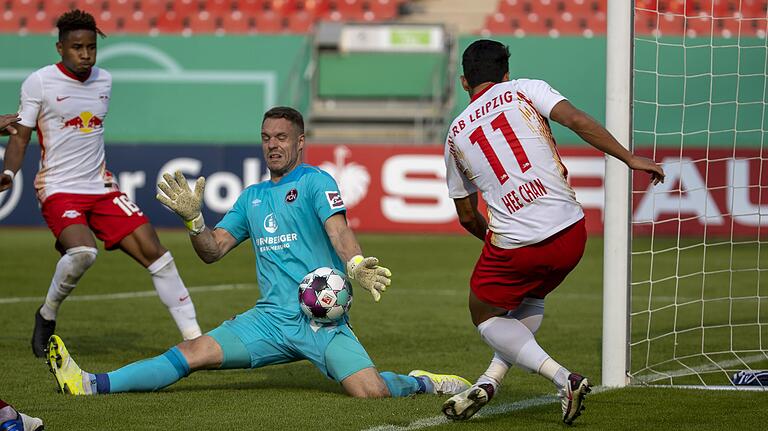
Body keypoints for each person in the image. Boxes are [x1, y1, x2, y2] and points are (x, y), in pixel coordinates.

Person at [45, 106, 471, 399]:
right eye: (266, 138)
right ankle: (90, 383)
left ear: (300, 142)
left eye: (282, 138)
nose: (273, 145)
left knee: (371, 391)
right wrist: (195, 222)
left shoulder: (315, 182)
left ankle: (419, 383)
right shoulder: (251, 198)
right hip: (268, 321)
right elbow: (212, 252)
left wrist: (355, 264)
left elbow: (339, 232)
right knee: (193, 353)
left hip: (320, 320)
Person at [440, 40, 665, 424]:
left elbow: (466, 215)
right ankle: (491, 380)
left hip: (518, 246)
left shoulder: (455, 135)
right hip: (573, 233)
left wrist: (496, 243)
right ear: (505, 74)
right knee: (529, 297)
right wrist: (629, 157)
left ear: (465, 82)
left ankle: (564, 379)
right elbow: (576, 121)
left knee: (485, 314)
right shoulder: (526, 88)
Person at [0, 9, 202, 358]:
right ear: (60, 47)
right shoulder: (40, 82)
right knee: (83, 253)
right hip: (59, 187)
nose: (86, 54)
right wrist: (9, 173)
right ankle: (47, 314)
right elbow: (20, 136)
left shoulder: (104, 81)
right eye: (77, 47)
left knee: (159, 255)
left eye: (91, 47)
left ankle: (196, 339)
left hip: (102, 188)